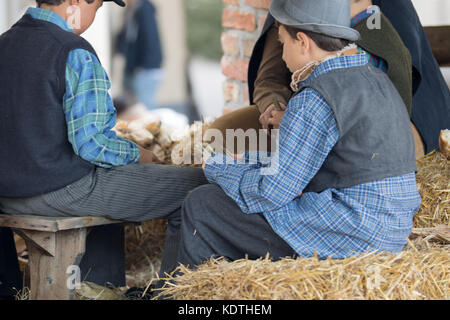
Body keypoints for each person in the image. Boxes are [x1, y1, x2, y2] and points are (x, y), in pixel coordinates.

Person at [174, 0, 422, 268]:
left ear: (303, 42)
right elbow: (304, 165)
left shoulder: (316, 97)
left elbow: (272, 193)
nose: (282, 56)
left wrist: (216, 167)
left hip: (353, 235)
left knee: (203, 203)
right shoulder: (375, 78)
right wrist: (244, 161)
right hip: (390, 231)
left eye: (283, 44)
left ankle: (172, 293)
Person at [0, 0, 207, 289]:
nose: (94, 17)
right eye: (96, 6)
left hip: (8, 193)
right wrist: (140, 154)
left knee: (110, 179)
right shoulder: (73, 51)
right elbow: (92, 144)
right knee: (197, 187)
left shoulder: (5, 42)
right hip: (56, 189)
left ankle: (97, 289)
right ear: (74, 2)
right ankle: (169, 295)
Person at [210, 0, 450, 159]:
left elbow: (378, 107)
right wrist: (276, 110)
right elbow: (269, 77)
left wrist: (298, 123)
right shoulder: (291, 6)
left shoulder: (383, 19)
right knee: (220, 134)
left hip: (403, 118)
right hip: (303, 112)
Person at [117, 0, 164, 111]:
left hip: (145, 68)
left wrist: (144, 65)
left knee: (143, 107)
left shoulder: (144, 8)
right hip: (133, 66)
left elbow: (150, 37)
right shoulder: (131, 9)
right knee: (129, 106)